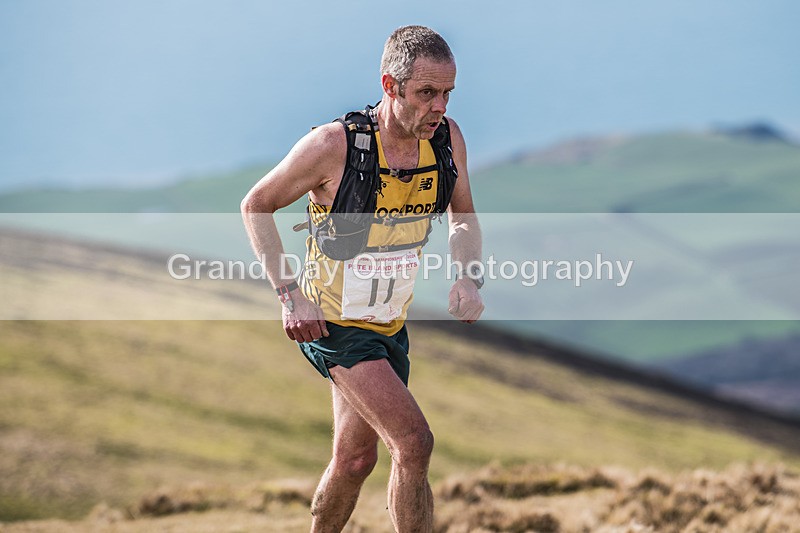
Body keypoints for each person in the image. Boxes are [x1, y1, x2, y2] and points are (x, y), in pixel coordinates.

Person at [241, 25, 483, 533]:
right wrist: (289, 296)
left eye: (447, 94)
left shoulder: (446, 140)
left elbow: (462, 215)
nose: (439, 107)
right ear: (390, 86)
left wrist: (468, 277)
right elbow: (256, 205)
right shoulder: (334, 146)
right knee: (414, 442)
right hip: (333, 325)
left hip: (389, 327)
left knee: (355, 462)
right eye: (426, 93)